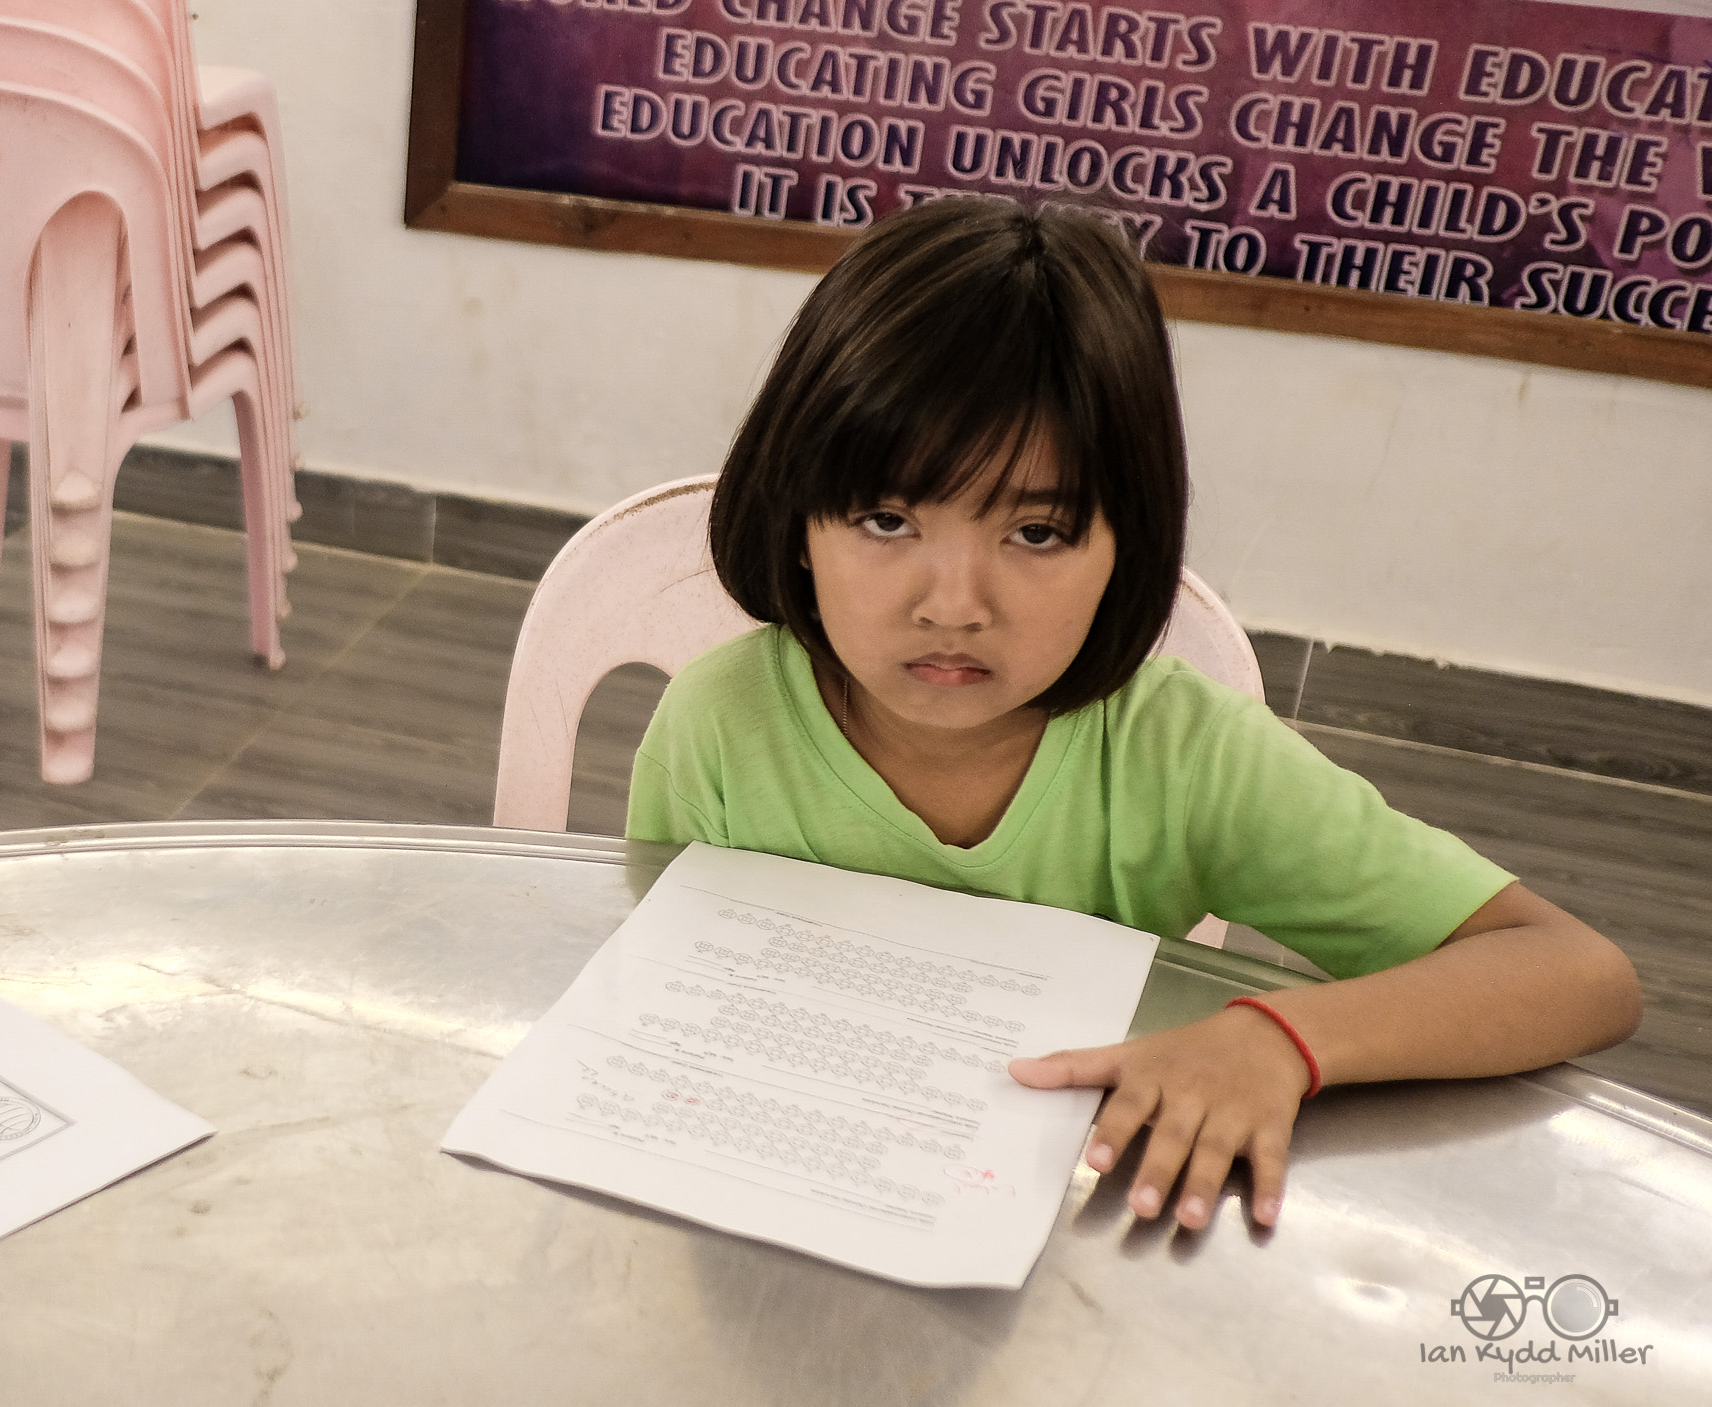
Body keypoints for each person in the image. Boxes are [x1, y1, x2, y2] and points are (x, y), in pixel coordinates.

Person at [626, 199, 1640, 1234]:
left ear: (1128, 548)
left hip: (1061, 1222)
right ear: (795, 521)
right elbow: (660, 993)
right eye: (886, 519)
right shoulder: (720, 724)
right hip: (776, 1191)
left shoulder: (1184, 760)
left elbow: (1577, 975)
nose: (954, 604)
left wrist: (1280, 1038)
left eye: (1036, 531)